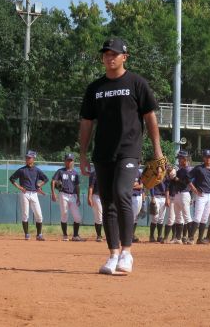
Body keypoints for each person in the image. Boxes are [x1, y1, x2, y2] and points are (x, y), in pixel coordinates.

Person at [79, 37, 163, 275]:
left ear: (124, 57)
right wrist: (83, 154)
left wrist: (157, 150)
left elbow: (150, 117)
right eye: (106, 53)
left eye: (114, 53)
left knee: (122, 193)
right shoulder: (95, 88)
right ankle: (113, 254)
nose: (109, 56)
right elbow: (86, 122)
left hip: (129, 150)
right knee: (107, 203)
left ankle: (127, 252)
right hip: (102, 152)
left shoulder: (136, 83)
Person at [9, 150, 48, 241]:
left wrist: (39, 185)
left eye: (29, 157)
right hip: (25, 193)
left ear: (33, 159)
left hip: (34, 194)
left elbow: (45, 179)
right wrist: (19, 187)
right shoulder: (22, 170)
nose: (27, 159)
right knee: (25, 214)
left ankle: (39, 235)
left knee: (39, 215)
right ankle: (26, 234)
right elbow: (12, 179)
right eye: (27, 157)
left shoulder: (37, 170)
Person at [51, 153, 84, 241]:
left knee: (77, 217)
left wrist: (78, 197)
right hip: (63, 194)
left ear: (73, 162)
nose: (69, 162)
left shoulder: (75, 173)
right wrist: (53, 193)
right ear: (65, 161)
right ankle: (65, 235)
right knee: (64, 214)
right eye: (68, 160)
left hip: (73, 196)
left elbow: (77, 186)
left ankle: (75, 236)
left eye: (71, 160)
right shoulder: (60, 171)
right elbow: (53, 181)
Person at [189, 149, 210, 245]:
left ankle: (200, 239)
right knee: (197, 217)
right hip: (201, 195)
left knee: (204, 218)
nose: (208, 158)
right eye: (206, 156)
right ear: (203, 158)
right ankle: (191, 238)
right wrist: (193, 188)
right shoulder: (198, 168)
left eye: (209, 157)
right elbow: (187, 177)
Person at [169, 150, 193, 244]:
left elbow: (185, 183)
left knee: (187, 216)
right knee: (178, 217)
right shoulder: (180, 170)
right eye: (178, 158)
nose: (178, 160)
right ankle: (178, 238)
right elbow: (174, 182)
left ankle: (191, 238)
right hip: (177, 194)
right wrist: (170, 175)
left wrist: (175, 178)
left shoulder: (188, 170)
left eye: (180, 158)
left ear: (185, 159)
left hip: (184, 194)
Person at [87, 165, 104, 242]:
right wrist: (89, 197)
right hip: (96, 196)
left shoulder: (107, 172)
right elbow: (91, 186)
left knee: (105, 216)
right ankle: (99, 235)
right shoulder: (94, 173)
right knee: (99, 216)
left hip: (106, 197)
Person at [149, 176, 168, 243]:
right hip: (156, 197)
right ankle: (151, 236)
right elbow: (151, 186)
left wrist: (167, 198)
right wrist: (152, 197)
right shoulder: (154, 176)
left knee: (161, 218)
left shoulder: (165, 176)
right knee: (155, 217)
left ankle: (159, 236)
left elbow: (167, 188)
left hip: (163, 197)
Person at [131, 172, 144, 243]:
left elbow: (141, 186)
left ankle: (132, 235)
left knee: (135, 217)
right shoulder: (128, 171)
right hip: (128, 196)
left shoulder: (139, 173)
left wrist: (133, 186)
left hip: (137, 197)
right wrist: (136, 185)